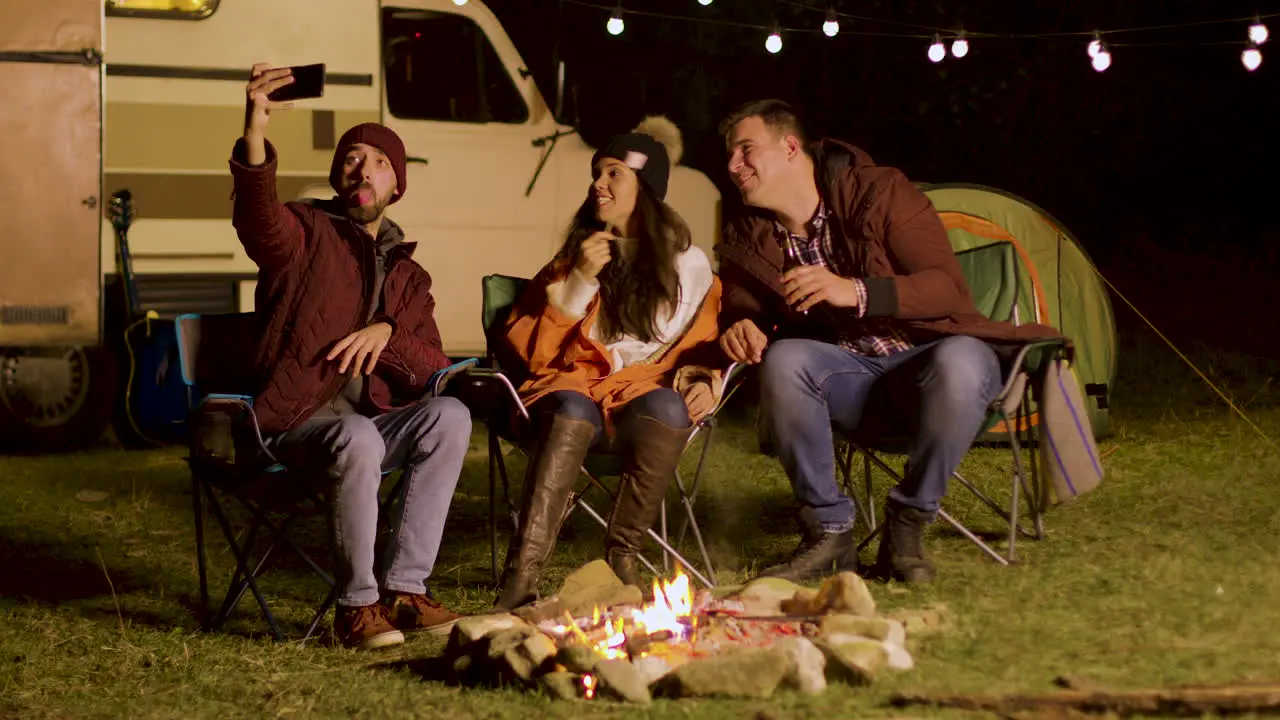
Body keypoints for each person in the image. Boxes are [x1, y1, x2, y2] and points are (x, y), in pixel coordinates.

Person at [715, 99, 1061, 584]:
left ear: (790, 146)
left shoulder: (879, 192)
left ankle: (906, 522)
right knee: (787, 356)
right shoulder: (751, 233)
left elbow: (947, 287)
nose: (733, 166)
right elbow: (740, 294)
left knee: (963, 358)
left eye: (745, 150)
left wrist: (855, 290)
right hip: (852, 383)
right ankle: (830, 533)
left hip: (930, 365)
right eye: (730, 155)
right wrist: (740, 321)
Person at [228, 64, 471, 649]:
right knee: (358, 437)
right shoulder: (305, 232)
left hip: (372, 425)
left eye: (379, 161)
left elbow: (431, 369)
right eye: (352, 158)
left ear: (396, 186)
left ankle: (406, 589)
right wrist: (255, 128)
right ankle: (357, 607)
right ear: (339, 177)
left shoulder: (411, 277)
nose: (363, 169)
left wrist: (387, 332)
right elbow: (258, 219)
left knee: (451, 416)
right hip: (294, 425)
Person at [494, 117, 725, 610]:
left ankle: (623, 557)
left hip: (637, 401)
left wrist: (709, 377)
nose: (598, 183)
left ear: (646, 187)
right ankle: (521, 578)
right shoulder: (573, 261)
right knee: (574, 407)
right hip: (569, 397)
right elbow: (532, 354)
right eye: (597, 173)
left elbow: (703, 343)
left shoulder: (690, 267)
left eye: (613, 173)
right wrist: (579, 282)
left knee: (668, 409)